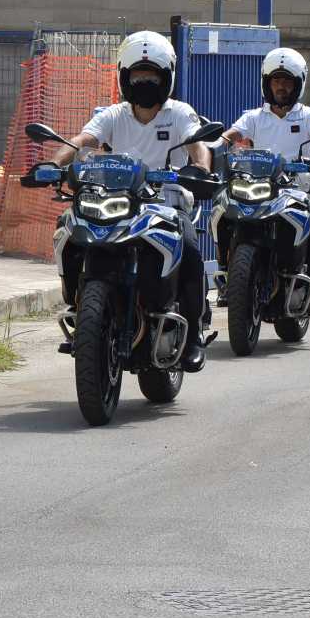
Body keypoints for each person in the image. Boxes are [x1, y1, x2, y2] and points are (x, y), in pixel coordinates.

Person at [45, 31, 215, 371]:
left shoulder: (180, 113)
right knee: (69, 228)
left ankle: (194, 333)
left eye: (152, 77)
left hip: (166, 201)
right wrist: (54, 164)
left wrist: (200, 169)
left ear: (166, 78)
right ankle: (79, 308)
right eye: (138, 76)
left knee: (190, 248)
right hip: (117, 200)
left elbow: (198, 147)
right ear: (125, 77)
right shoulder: (113, 115)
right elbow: (82, 140)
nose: (144, 83)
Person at [222, 46, 310, 313]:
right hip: (258, 186)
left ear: (298, 84)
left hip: (296, 188)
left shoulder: (308, 115)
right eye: (276, 81)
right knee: (222, 210)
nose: (281, 87)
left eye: (287, 81)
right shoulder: (254, 117)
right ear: (267, 83)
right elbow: (231, 134)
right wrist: (216, 145)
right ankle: (227, 275)